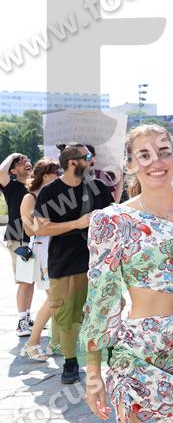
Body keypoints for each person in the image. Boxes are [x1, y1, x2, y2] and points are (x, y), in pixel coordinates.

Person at [81, 125, 173, 422]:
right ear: (129, 165)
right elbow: (102, 299)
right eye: (144, 155)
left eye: (164, 152)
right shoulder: (113, 220)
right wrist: (93, 372)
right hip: (138, 356)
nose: (157, 162)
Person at [34, 143, 113, 384]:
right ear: (72, 163)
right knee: (66, 316)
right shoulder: (51, 192)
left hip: (99, 263)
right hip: (65, 263)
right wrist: (76, 224)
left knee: (105, 311)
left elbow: (114, 218)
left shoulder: (98, 187)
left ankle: (112, 358)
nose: (92, 161)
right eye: (87, 157)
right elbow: (40, 227)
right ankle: (70, 362)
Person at [19, 159, 62, 361]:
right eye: (56, 172)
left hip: (58, 247)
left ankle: (54, 341)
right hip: (43, 249)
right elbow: (29, 230)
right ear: (45, 176)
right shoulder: (30, 197)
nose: (60, 175)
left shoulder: (57, 194)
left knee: (58, 298)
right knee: (55, 297)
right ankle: (32, 343)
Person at [0, 153, 35, 337]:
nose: (26, 163)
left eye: (27, 160)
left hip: (34, 238)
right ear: (13, 171)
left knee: (31, 280)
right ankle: (21, 321)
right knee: (24, 280)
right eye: (20, 163)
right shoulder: (11, 186)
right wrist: (13, 155)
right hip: (18, 239)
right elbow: (0, 172)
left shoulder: (35, 186)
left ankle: (27, 316)